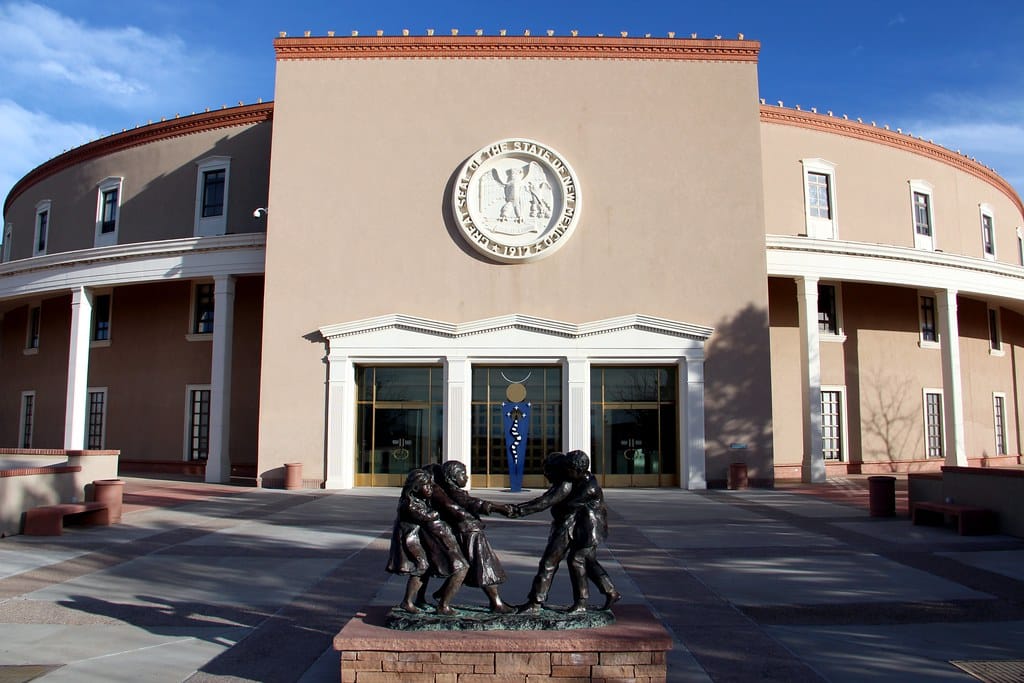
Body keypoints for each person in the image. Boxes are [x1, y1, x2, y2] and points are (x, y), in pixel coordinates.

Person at [512, 450, 621, 612]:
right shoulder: (572, 480)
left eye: (567, 469)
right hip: (577, 525)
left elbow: (556, 503)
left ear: (578, 470)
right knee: (589, 563)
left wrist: (517, 510)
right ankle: (610, 592)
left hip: (588, 529)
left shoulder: (588, 487)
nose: (564, 473)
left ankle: (580, 602)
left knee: (575, 560)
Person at [425, 460, 515, 613]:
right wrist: (497, 508)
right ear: (452, 477)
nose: (467, 478)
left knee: (473, 567)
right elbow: (473, 503)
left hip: (468, 531)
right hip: (469, 533)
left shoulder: (452, 492)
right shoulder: (454, 493)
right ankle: (496, 603)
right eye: (463, 474)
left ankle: (444, 596)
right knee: (486, 566)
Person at [385, 468, 468, 615]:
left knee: (425, 568)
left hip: (417, 539)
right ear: (416, 488)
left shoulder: (418, 500)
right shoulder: (409, 504)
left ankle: (418, 599)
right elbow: (427, 516)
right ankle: (408, 601)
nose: (431, 489)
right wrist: (439, 511)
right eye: (427, 486)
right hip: (410, 542)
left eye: (431, 485)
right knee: (421, 567)